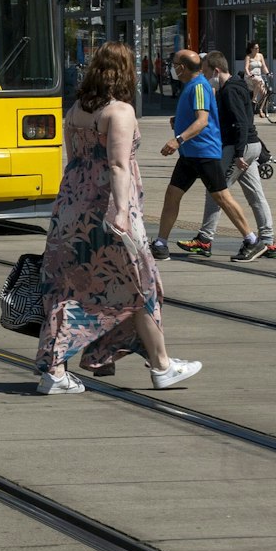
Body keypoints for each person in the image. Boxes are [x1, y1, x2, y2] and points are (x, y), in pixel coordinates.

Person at [34, 42, 201, 395]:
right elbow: (118, 165)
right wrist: (123, 212)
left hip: (71, 210)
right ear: (126, 73)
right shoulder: (119, 112)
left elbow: (75, 161)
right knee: (142, 284)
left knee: (71, 288)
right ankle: (161, 366)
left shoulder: (75, 110)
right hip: (109, 212)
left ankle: (56, 371)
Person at [151, 50, 260, 261]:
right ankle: (160, 244)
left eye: (174, 64)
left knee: (222, 197)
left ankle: (252, 240)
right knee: (172, 194)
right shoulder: (192, 86)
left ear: (182, 67)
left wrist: (178, 139)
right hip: (190, 154)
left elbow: (202, 121)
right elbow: (196, 116)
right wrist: (180, 120)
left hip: (203, 153)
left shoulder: (199, 86)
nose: (172, 68)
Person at [180, 52, 276, 259]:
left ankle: (205, 239)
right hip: (250, 145)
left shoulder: (230, 90)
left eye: (206, 72)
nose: (205, 77)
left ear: (216, 71)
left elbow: (240, 122)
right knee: (255, 195)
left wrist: (239, 153)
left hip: (238, 148)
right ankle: (268, 242)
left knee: (216, 190)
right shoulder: (236, 85)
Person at [242, 42, 270, 110]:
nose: (258, 49)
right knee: (258, 81)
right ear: (251, 49)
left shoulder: (260, 56)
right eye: (256, 48)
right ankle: (254, 99)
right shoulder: (248, 57)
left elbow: (264, 66)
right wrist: (249, 74)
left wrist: (267, 73)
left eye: (258, 48)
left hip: (258, 76)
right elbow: (246, 68)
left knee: (265, 93)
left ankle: (260, 109)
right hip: (250, 76)